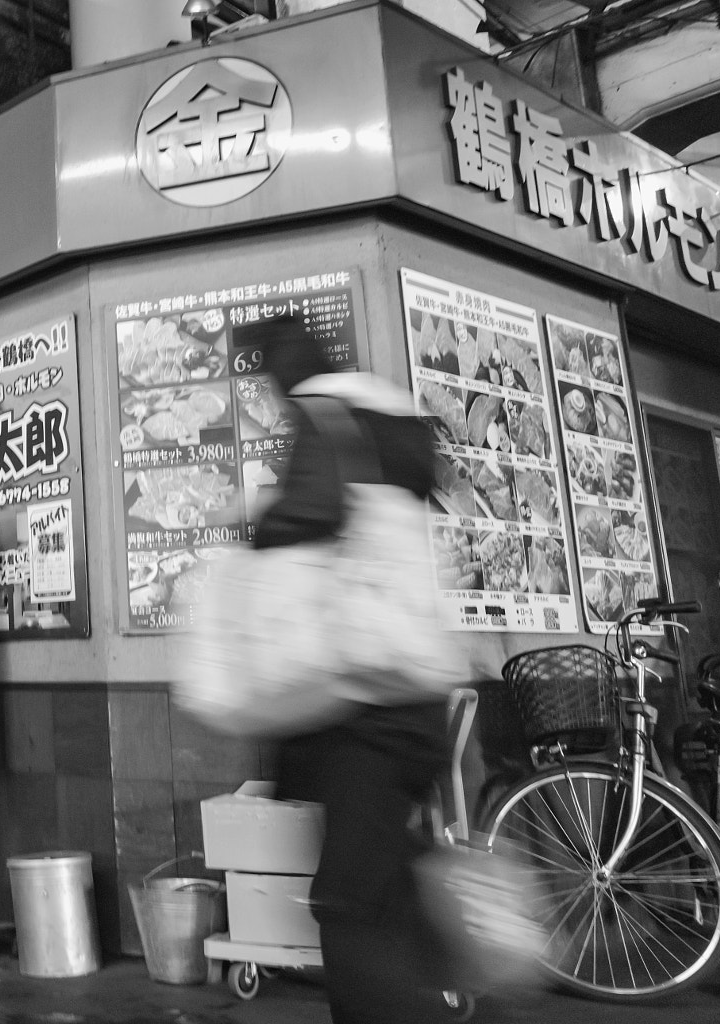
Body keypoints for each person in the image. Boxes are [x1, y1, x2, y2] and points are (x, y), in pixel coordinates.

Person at [251, 314, 450, 1024]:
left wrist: (258, 526)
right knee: (381, 885)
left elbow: (302, 519)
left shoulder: (327, 420)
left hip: (365, 703)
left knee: (347, 903)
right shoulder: (387, 414)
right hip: (417, 691)